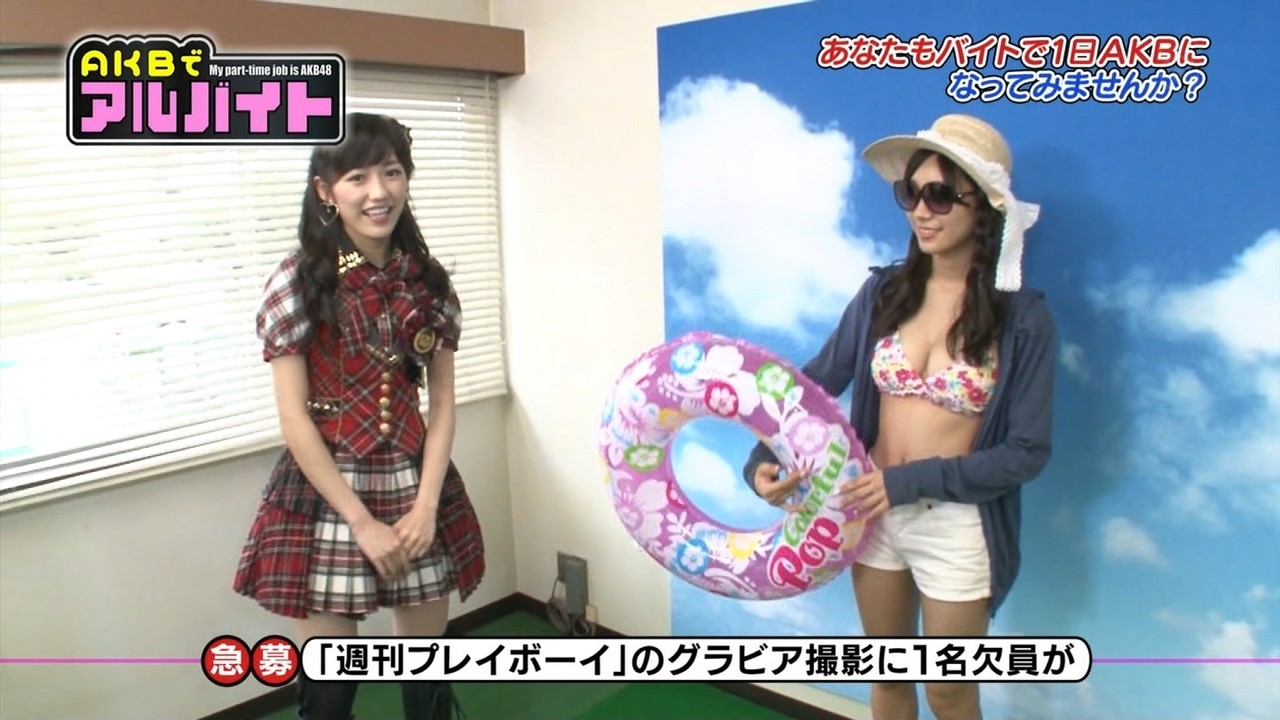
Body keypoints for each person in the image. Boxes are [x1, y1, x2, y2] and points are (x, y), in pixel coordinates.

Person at [742, 113, 1054, 720]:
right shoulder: (883, 294)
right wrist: (761, 457)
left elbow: (1026, 452)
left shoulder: (1024, 320)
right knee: (887, 677)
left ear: (984, 209)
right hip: (869, 512)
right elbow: (812, 384)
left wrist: (905, 482)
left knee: (949, 691)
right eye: (910, 192)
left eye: (940, 195)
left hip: (956, 523)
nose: (921, 211)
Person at [233, 112, 486, 720]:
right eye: (357, 177)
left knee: (426, 679)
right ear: (325, 190)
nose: (379, 192)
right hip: (329, 493)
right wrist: (361, 522)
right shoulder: (296, 281)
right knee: (327, 693)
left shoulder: (427, 281)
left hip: (414, 483)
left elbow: (441, 402)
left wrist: (426, 507)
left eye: (392, 172)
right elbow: (295, 420)